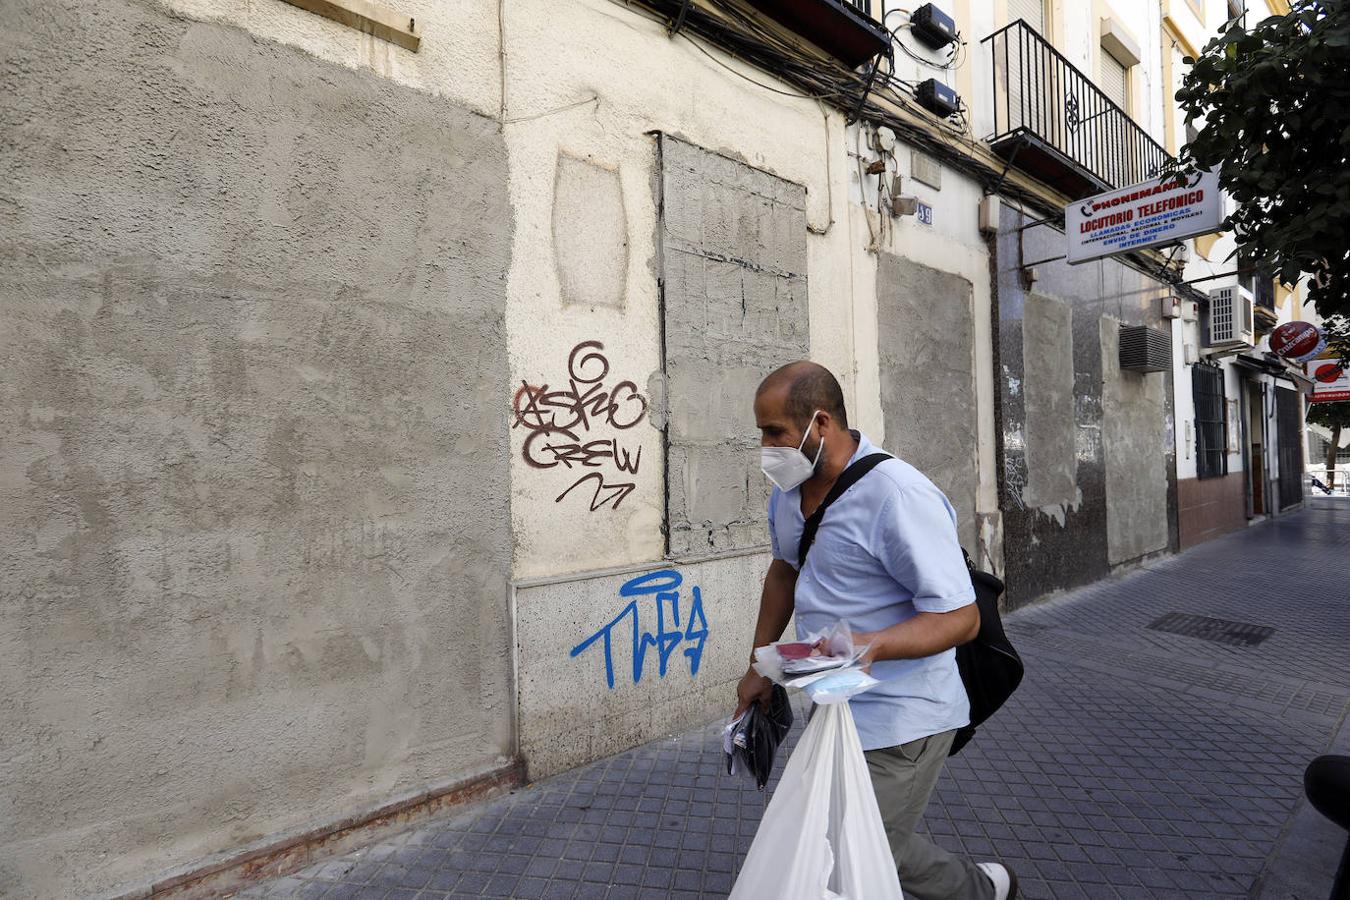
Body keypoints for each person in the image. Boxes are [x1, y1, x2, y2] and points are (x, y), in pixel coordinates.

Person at [734, 360, 1017, 900]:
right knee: (863, 844)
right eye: (762, 434)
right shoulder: (789, 494)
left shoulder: (898, 495)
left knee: (852, 860)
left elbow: (962, 617)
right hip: (836, 707)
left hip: (904, 717)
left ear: (820, 424)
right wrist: (758, 668)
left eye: (775, 433)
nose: (767, 448)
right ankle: (984, 888)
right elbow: (784, 571)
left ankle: (981, 889)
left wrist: (869, 647)